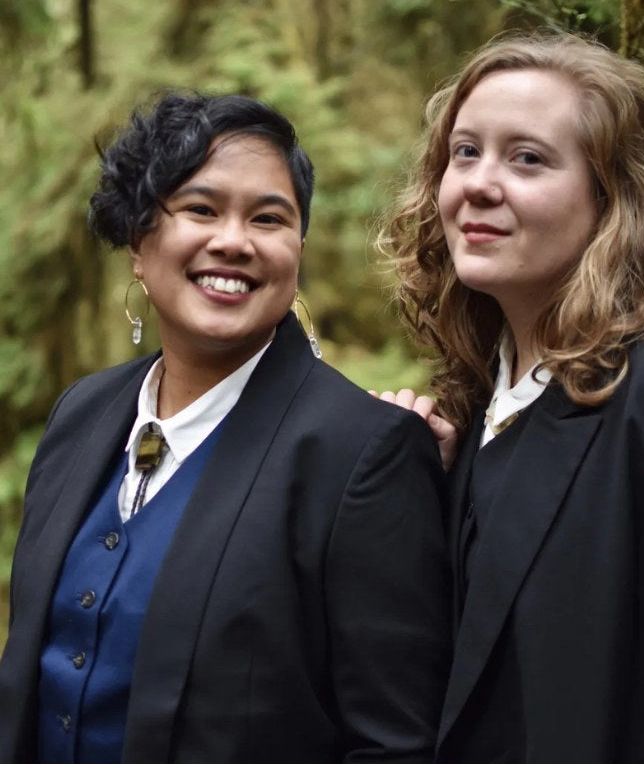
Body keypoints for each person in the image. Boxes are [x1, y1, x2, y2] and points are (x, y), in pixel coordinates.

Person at [379, 32, 644, 762]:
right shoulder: (481, 411)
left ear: (613, 199)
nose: (479, 183)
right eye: (465, 151)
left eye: (528, 158)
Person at [0, 93, 451, 764]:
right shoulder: (81, 416)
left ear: (296, 249)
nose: (234, 241)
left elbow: (394, 744)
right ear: (138, 242)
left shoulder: (362, 454)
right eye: (201, 210)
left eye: (269, 218)